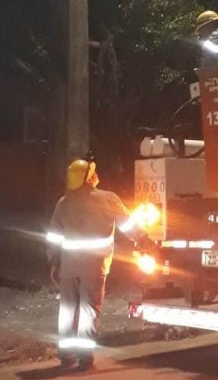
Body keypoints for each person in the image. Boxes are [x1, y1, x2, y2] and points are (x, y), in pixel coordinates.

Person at [46, 159, 147, 371]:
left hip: (69, 265)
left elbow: (54, 236)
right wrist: (145, 240)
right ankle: (84, 357)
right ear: (89, 178)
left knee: (67, 309)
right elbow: (128, 226)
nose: (96, 174)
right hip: (95, 265)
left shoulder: (64, 203)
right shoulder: (108, 199)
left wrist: (54, 262)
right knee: (89, 309)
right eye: (93, 172)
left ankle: (66, 354)